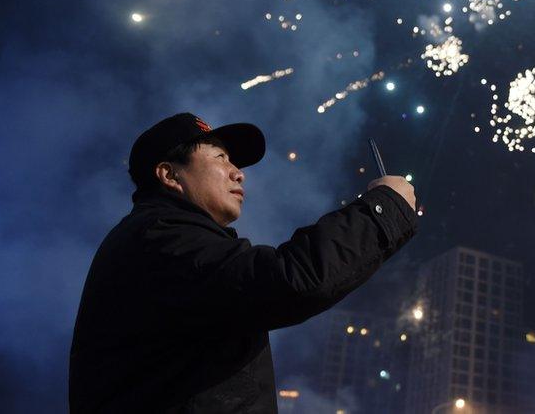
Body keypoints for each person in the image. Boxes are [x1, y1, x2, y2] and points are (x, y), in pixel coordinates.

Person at [69, 113, 418, 413]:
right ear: (169, 175)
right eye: (221, 158)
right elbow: (290, 279)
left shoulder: (162, 236)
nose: (239, 173)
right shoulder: (162, 241)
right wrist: (383, 208)